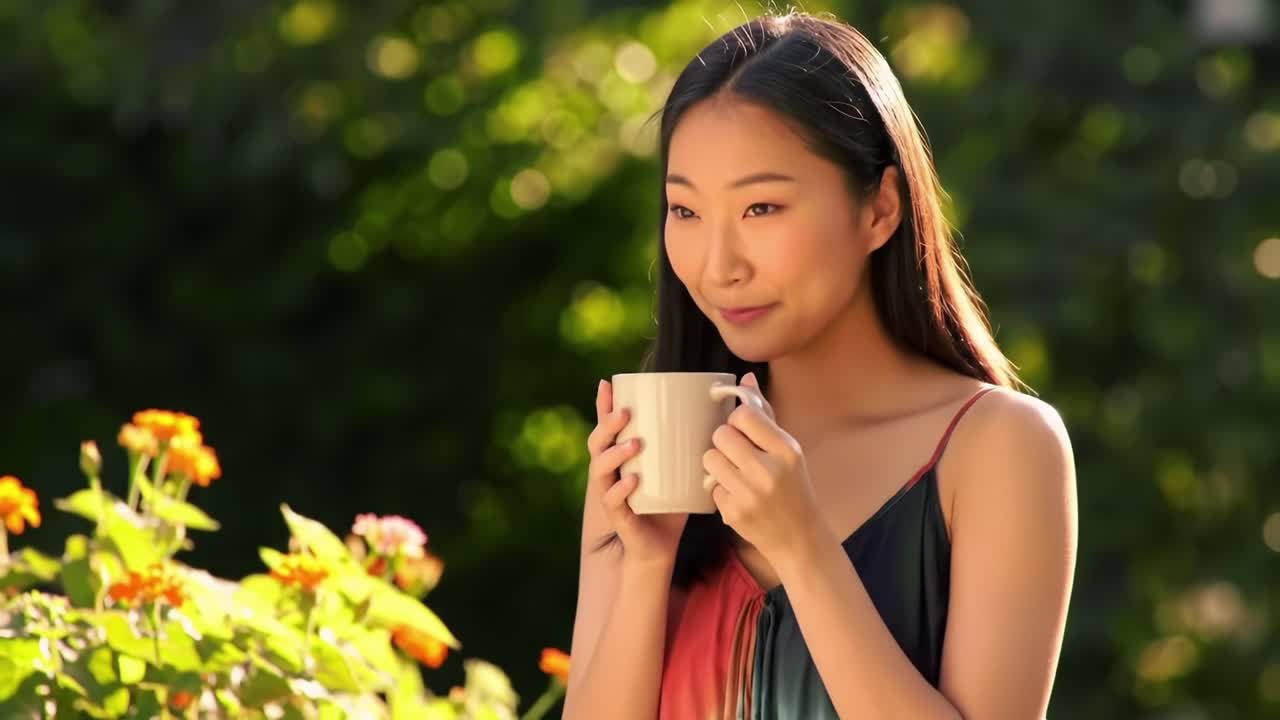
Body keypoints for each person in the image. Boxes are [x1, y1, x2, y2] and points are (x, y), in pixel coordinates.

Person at [564, 10, 1077, 720]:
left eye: (762, 207)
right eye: (685, 212)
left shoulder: (999, 447)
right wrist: (645, 567)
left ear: (880, 209)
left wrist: (803, 549)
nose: (718, 267)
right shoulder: (650, 454)